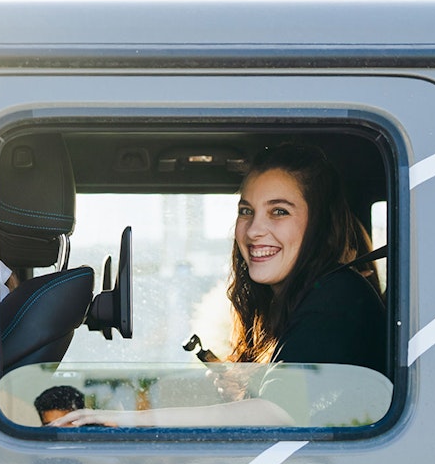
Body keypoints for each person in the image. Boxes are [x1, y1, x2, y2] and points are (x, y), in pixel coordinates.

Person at [50, 143, 387, 427]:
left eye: (279, 212)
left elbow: (276, 414)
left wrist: (133, 420)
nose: (254, 230)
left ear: (318, 224)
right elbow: (300, 402)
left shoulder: (337, 296)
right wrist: (253, 388)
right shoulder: (301, 300)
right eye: (246, 211)